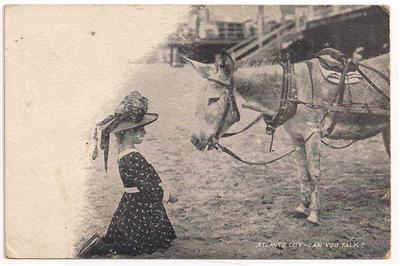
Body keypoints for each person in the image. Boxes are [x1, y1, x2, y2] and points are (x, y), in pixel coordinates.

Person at [78, 91, 177, 258]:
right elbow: (147, 188)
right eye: (141, 129)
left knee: (146, 241)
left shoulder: (126, 152)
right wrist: (168, 194)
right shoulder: (131, 157)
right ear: (129, 132)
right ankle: (99, 246)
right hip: (139, 207)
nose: (144, 132)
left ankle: (102, 243)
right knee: (134, 246)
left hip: (133, 204)